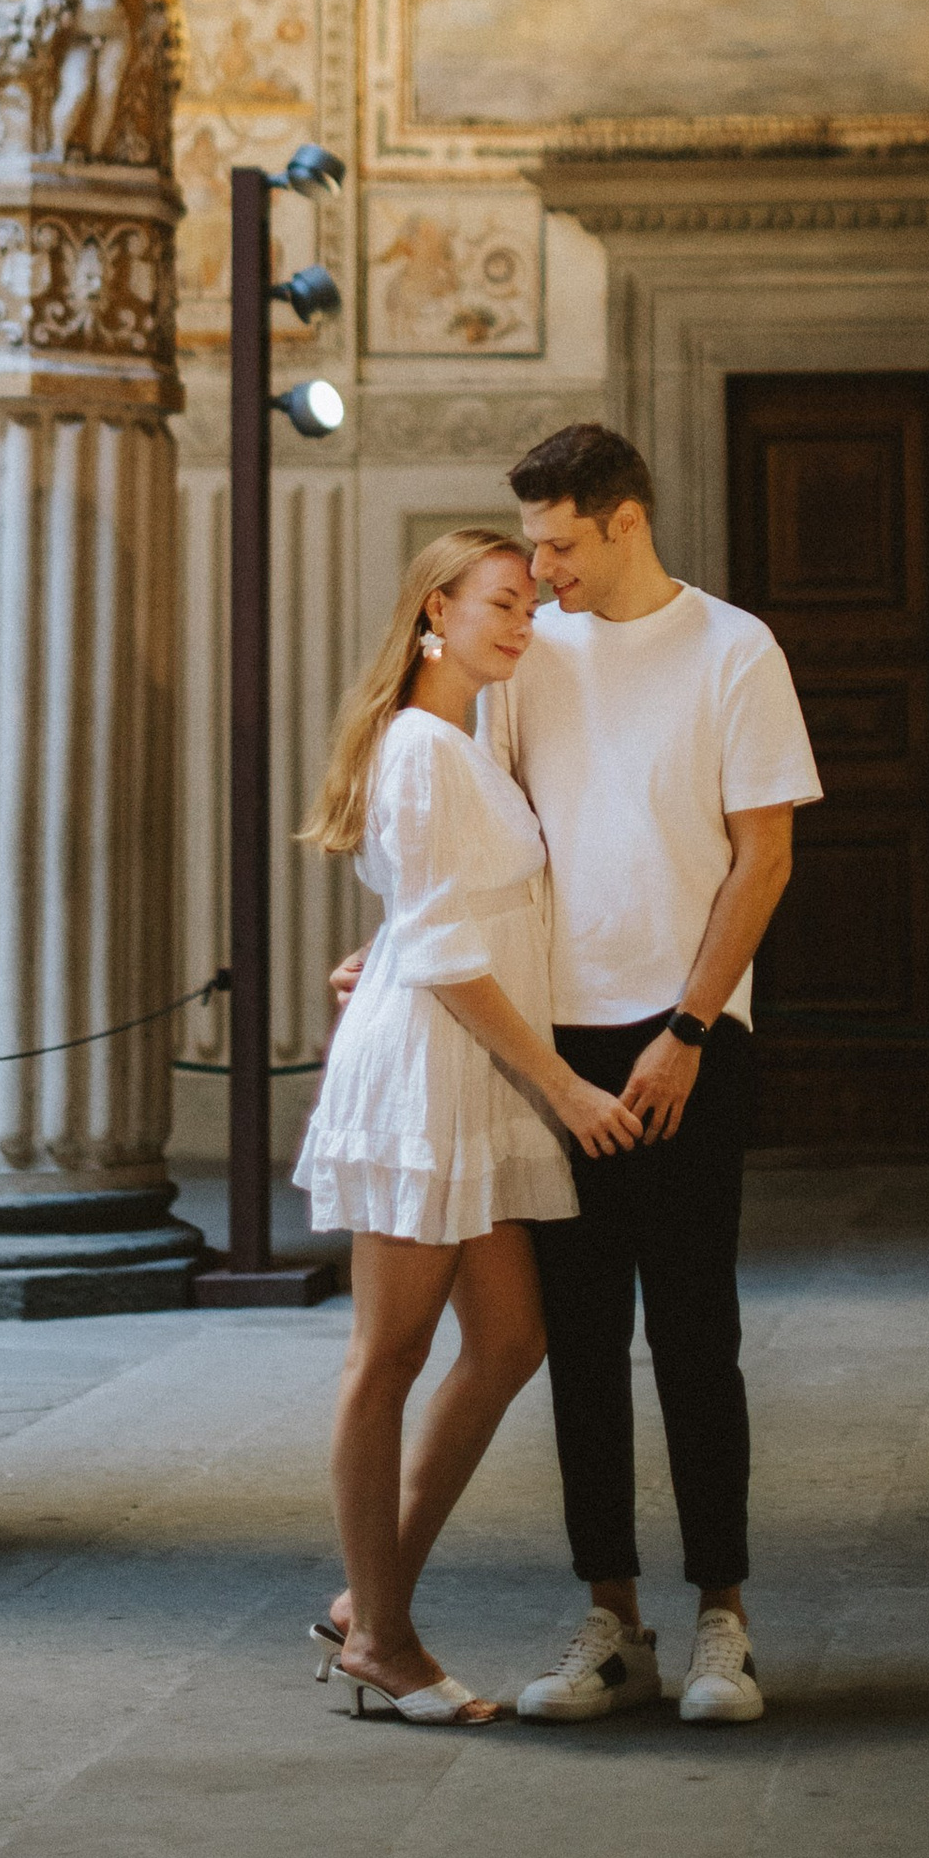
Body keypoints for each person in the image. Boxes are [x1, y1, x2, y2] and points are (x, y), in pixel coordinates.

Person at [338, 422, 821, 1728]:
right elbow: (478, 844)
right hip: (550, 1047)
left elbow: (761, 860)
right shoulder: (526, 661)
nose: (539, 573)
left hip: (689, 1038)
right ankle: (614, 1622)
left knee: (697, 1333)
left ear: (624, 521)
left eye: (557, 545)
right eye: (529, 550)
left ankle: (725, 1620)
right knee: (583, 1343)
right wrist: (389, 951)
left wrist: (690, 1029)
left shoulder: (735, 649)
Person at [294, 529, 644, 1724]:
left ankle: (364, 1599)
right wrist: (566, 1088)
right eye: (501, 601)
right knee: (384, 1359)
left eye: (531, 604)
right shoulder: (420, 751)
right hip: (433, 1079)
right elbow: (445, 948)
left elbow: (439, 911)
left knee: (505, 1345)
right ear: (434, 608)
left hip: (473, 1071)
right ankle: (384, 1642)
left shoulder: (469, 738)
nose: (523, 621)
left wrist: (384, 949)